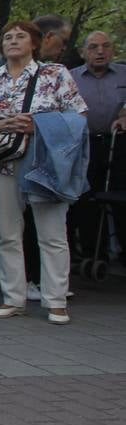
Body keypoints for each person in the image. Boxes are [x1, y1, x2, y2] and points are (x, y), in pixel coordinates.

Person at [0, 21, 88, 324]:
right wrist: (3, 124)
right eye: (7, 37)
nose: (12, 41)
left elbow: (78, 116)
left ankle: (56, 299)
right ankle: (13, 298)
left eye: (20, 36)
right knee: (7, 233)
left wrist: (40, 126)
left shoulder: (54, 74)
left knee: (52, 232)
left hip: (44, 162)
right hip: (3, 162)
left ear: (35, 43)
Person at [69, 32, 126, 263]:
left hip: (119, 143)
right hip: (85, 144)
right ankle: (93, 253)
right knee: (87, 199)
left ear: (113, 50)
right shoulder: (70, 78)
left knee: (121, 197)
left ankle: (123, 251)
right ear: (83, 52)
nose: (100, 52)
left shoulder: (124, 73)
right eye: (93, 47)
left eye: (105, 46)